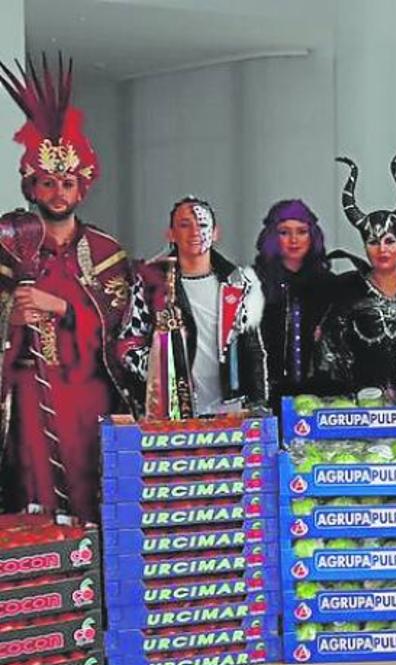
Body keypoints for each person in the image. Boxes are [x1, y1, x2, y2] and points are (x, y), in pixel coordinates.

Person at [0, 54, 136, 521]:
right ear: (32, 187)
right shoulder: (5, 243)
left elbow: (124, 328)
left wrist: (60, 305)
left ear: (82, 189)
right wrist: (9, 316)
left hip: (88, 395)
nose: (58, 192)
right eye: (48, 183)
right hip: (25, 396)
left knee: (92, 491)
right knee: (30, 492)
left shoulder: (105, 250)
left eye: (67, 183)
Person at [117, 197, 268, 418]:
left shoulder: (237, 283)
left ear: (215, 233)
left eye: (203, 225)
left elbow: (252, 349)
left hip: (229, 412)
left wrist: (257, 404)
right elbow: (128, 344)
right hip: (169, 415)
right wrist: (161, 377)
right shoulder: (151, 282)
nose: (195, 232)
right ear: (171, 234)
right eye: (185, 225)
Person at [314, 152, 396, 399]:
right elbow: (331, 354)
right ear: (365, 247)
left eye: (389, 241)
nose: (382, 249)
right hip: (364, 408)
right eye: (373, 242)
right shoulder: (346, 291)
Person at [253, 199, 335, 408]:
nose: (294, 240)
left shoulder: (330, 284)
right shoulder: (254, 282)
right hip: (267, 394)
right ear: (273, 236)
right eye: (284, 232)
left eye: (302, 232)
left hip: (321, 394)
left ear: (312, 236)